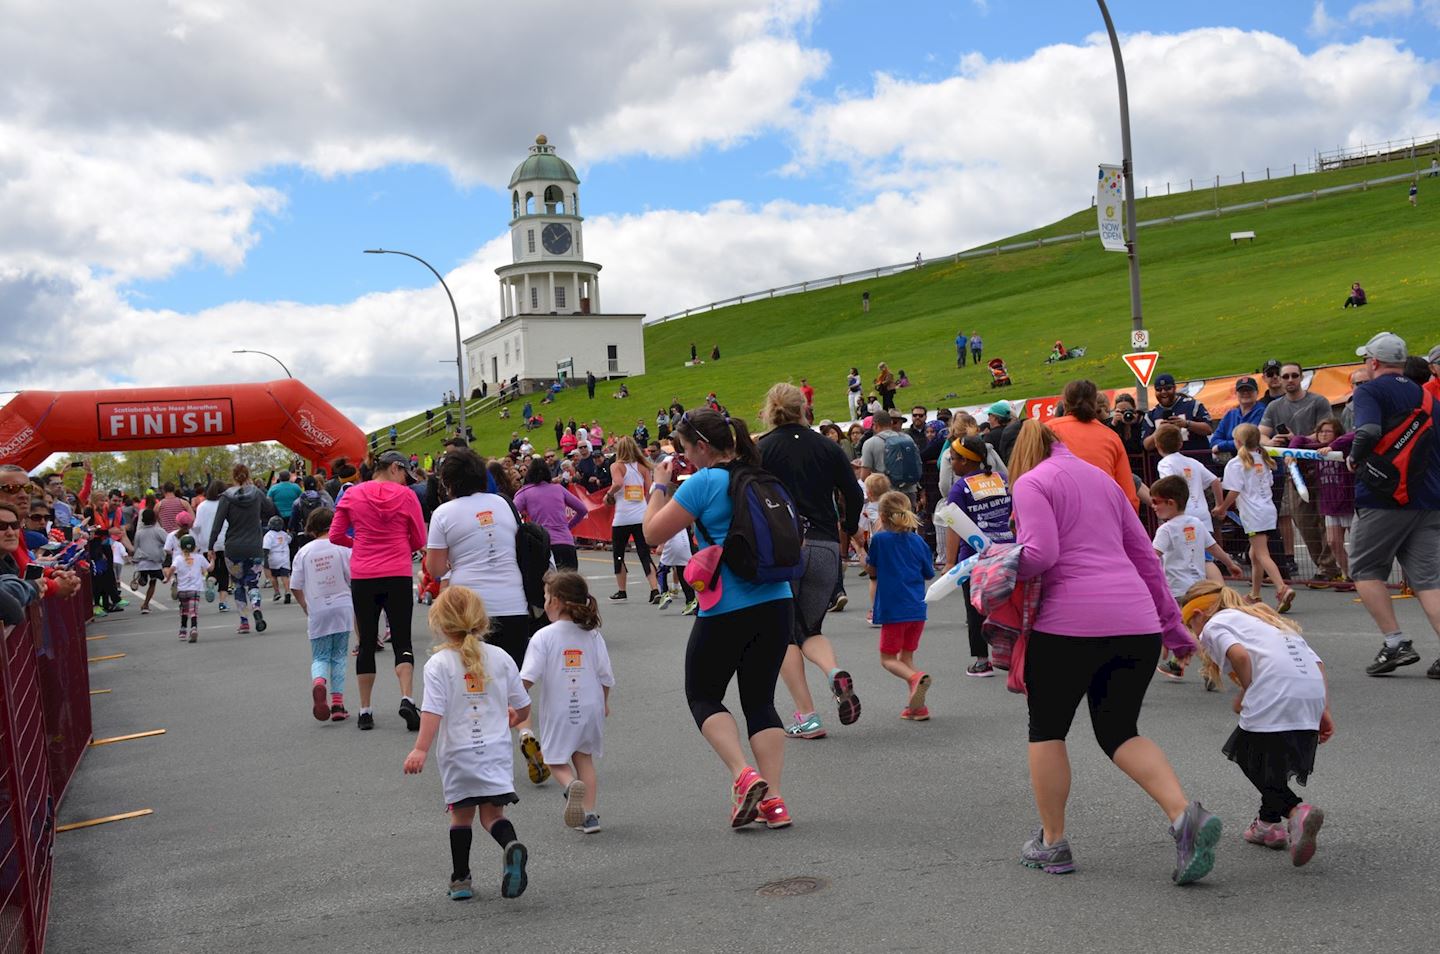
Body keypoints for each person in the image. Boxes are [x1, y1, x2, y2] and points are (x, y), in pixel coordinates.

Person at [1006, 420, 1219, 884]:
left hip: (1067, 624)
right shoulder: (1101, 479)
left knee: (1047, 729)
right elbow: (1144, 555)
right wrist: (1173, 629)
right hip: (1135, 620)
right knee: (1120, 729)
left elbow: (1039, 554)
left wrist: (992, 560)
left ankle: (1051, 842)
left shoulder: (1031, 482)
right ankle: (1184, 816)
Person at [642, 407, 794, 829]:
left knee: (703, 694)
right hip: (777, 599)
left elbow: (652, 533)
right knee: (761, 700)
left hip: (726, 605)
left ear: (702, 447)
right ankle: (775, 802)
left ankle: (743, 774)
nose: (686, 459)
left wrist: (659, 485)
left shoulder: (706, 481)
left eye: (687, 451)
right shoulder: (762, 476)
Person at [1182, 582, 1332, 867]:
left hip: (1274, 690)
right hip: (1309, 691)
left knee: (1247, 754)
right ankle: (1268, 824)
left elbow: (1239, 655)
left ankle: (1294, 810)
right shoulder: (1262, 618)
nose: (1195, 634)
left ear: (1199, 614)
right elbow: (1318, 664)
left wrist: (1248, 689)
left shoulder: (1214, 625)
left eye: (1191, 626)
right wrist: (1323, 709)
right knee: (1270, 755)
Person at [425, 448, 549, 783]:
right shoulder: (504, 505)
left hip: (470, 608)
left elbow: (435, 569)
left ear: (448, 482)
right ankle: (525, 734)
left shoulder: (444, 514)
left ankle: (482, 753)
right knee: (509, 680)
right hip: (513, 603)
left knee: (475, 682)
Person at [404, 585, 531, 902]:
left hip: (458, 753)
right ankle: (510, 846)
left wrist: (420, 748)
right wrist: (515, 717)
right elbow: (523, 704)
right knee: (493, 817)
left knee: (461, 818)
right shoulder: (500, 657)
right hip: (495, 751)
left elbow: (432, 711)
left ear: (440, 624)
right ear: (482, 620)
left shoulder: (439, 664)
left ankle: (461, 879)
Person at [757, 383, 864, 741]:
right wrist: (847, 529)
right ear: (804, 407)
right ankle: (833, 671)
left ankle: (807, 715)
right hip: (824, 543)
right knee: (812, 628)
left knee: (784, 635)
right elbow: (853, 491)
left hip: (781, 547)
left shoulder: (763, 449)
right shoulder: (827, 446)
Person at [1344, 332, 1440, 678]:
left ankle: (1395, 642)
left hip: (1385, 498)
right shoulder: (1427, 397)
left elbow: (1367, 430)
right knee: (1429, 580)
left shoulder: (1369, 389)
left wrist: (1355, 458)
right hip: (1429, 499)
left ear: (1373, 362)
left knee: (1366, 569)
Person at [330, 450, 427, 732]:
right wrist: (399, 547)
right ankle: (407, 698)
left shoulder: (351, 495)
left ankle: (365, 710)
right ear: (395, 468)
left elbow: (336, 535)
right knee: (402, 640)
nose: (406, 482)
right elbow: (419, 538)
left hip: (364, 574)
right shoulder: (407, 497)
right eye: (404, 475)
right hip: (397, 572)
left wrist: (359, 546)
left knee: (367, 642)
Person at [519, 570, 614, 834]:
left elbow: (527, 678)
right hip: (591, 706)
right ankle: (590, 815)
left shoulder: (543, 637)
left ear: (556, 602)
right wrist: (604, 704)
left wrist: (513, 703)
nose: (545, 601)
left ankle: (571, 785)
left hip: (561, 709)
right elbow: (606, 677)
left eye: (547, 597)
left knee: (553, 759)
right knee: (585, 759)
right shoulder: (593, 635)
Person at [1150, 475, 1242, 682]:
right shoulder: (1196, 523)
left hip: (1177, 589)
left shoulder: (1165, 530)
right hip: (1199, 587)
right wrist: (1230, 564)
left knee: (1184, 629)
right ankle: (1178, 664)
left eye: (1156, 502)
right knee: (1198, 628)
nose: (1153, 506)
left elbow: (1151, 556)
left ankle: (1212, 664)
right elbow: (1213, 547)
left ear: (1170, 503)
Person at [1260, 361, 1341, 585]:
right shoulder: (1274, 407)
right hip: (1293, 471)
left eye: (1294, 376)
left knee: (1326, 519)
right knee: (1303, 520)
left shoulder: (1317, 401)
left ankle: (1328, 569)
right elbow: (1261, 434)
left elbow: (1326, 431)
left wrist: (1298, 440)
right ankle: (1324, 565)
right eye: (1285, 377)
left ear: (1301, 377)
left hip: (1320, 468)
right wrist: (1273, 442)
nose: (1289, 380)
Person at [866, 492, 934, 719]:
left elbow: (872, 569)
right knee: (906, 659)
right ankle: (917, 707)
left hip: (894, 610)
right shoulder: (918, 541)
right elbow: (928, 572)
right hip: (917, 609)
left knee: (887, 659)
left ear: (882, 517)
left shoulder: (880, 540)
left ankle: (916, 679)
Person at [1215, 424, 1294, 613]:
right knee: (1254, 554)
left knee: (1261, 554)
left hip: (1253, 514)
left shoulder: (1236, 464)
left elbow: (1234, 491)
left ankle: (1282, 588)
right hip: (1267, 510)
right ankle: (1254, 593)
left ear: (1238, 442)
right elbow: (1268, 483)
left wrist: (1222, 508)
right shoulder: (1263, 459)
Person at [291, 508, 353, 722]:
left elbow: (295, 585)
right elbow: (353, 576)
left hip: (317, 608)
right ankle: (338, 704)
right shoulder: (343, 547)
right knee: (339, 656)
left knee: (320, 656)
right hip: (343, 606)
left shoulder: (304, 552)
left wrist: (304, 605)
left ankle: (319, 682)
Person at [1046, 380, 1140, 511]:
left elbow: (1028, 476)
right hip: (1104, 514)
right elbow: (1128, 494)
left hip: (1060, 512)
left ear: (1065, 403)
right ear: (1095, 404)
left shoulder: (1048, 430)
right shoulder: (1111, 437)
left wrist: (1016, 516)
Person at [207, 464, 270, 635]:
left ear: (233, 477)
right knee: (253, 582)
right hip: (255, 547)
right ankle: (256, 607)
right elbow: (271, 510)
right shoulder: (257, 494)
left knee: (238, 584)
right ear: (248, 475)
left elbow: (217, 525)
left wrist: (211, 546)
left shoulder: (226, 497)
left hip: (233, 549)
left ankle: (244, 621)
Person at [605, 436, 660, 604]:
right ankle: (654, 588)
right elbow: (650, 489)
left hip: (622, 517)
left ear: (619, 450)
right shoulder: (642, 466)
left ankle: (622, 590)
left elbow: (618, 483)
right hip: (640, 514)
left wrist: (609, 494)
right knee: (644, 553)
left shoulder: (616, 466)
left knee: (619, 554)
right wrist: (651, 507)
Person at [513, 457, 585, 570]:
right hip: (566, 542)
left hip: (543, 544)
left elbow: (511, 513)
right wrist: (568, 526)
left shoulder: (524, 492)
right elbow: (582, 509)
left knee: (547, 585)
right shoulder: (558, 489)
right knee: (570, 585)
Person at [860, 410, 923, 507]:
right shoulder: (907, 438)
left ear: (875, 425)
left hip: (886, 494)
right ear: (890, 423)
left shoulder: (870, 443)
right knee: (908, 520)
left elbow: (865, 476)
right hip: (909, 491)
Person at [1142, 374, 1214, 454]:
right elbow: (1147, 445)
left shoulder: (1192, 405)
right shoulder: (1151, 414)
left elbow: (1208, 429)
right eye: (1159, 390)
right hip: (1167, 462)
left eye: (1167, 388)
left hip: (1195, 457)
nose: (1163, 392)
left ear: (1175, 388)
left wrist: (1186, 424)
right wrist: (1159, 431)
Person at [162, 534, 210, 643]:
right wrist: (213, 560)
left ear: (180, 547)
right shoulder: (199, 557)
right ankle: (193, 628)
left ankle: (183, 630)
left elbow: (172, 568)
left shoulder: (178, 558)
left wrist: (167, 579)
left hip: (182, 589)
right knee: (194, 611)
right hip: (195, 589)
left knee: (184, 610)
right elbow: (210, 568)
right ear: (194, 547)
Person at [1210, 377, 1266, 455]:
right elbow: (1214, 440)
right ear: (1236, 394)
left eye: (1249, 390)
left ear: (1257, 392)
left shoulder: (1263, 411)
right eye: (1241, 390)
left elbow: (1249, 441)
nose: (1245, 393)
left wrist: (1221, 446)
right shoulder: (1230, 414)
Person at [131, 509, 167, 614]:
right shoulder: (158, 531)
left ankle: (141, 578)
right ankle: (145, 604)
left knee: (145, 580)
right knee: (157, 581)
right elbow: (168, 541)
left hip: (142, 562)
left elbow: (136, 547)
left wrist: (134, 559)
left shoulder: (139, 532)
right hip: (155, 562)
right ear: (155, 519)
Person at [262, 516, 293, 603]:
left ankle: (277, 592)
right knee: (285, 576)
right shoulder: (283, 534)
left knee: (274, 576)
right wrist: (291, 534)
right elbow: (290, 539)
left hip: (273, 558)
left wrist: (265, 559)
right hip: (284, 557)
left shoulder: (268, 535)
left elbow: (265, 548)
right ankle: (287, 591)